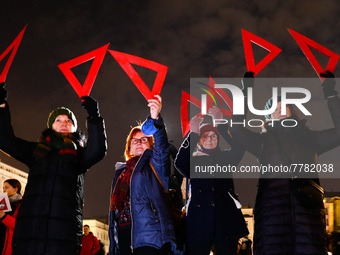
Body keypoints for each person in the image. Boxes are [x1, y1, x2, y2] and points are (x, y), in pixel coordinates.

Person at [229, 71, 340, 254]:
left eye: (284, 106)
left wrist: (331, 96)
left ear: (292, 111)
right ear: (268, 116)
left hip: (307, 212)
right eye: (274, 108)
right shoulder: (262, 141)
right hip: (273, 214)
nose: (280, 110)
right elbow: (236, 129)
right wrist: (245, 92)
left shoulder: (309, 137)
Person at [0, 83, 107, 255]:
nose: (63, 123)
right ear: (51, 126)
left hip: (63, 233)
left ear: (74, 127)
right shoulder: (36, 150)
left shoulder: (79, 155)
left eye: (68, 120)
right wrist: (2, 106)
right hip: (31, 230)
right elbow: (5, 141)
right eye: (58, 120)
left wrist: (95, 117)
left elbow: (98, 150)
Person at [174, 106, 249, 255]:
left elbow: (240, 148)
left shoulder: (226, 158)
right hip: (199, 222)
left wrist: (220, 124)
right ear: (199, 141)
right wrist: (193, 133)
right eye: (204, 136)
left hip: (225, 220)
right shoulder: (192, 162)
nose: (209, 138)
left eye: (213, 136)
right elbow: (179, 163)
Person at [109, 95, 175, 255]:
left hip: (150, 238)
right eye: (134, 140)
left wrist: (155, 119)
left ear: (151, 145)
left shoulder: (155, 164)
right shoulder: (121, 173)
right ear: (129, 148)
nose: (138, 142)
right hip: (124, 236)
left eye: (144, 139)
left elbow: (162, 146)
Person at [0, 179, 22, 255]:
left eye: (6, 187)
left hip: (8, 245)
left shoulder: (21, 205)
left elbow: (19, 226)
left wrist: (3, 216)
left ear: (15, 189)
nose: (3, 190)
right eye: (3, 188)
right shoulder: (3, 203)